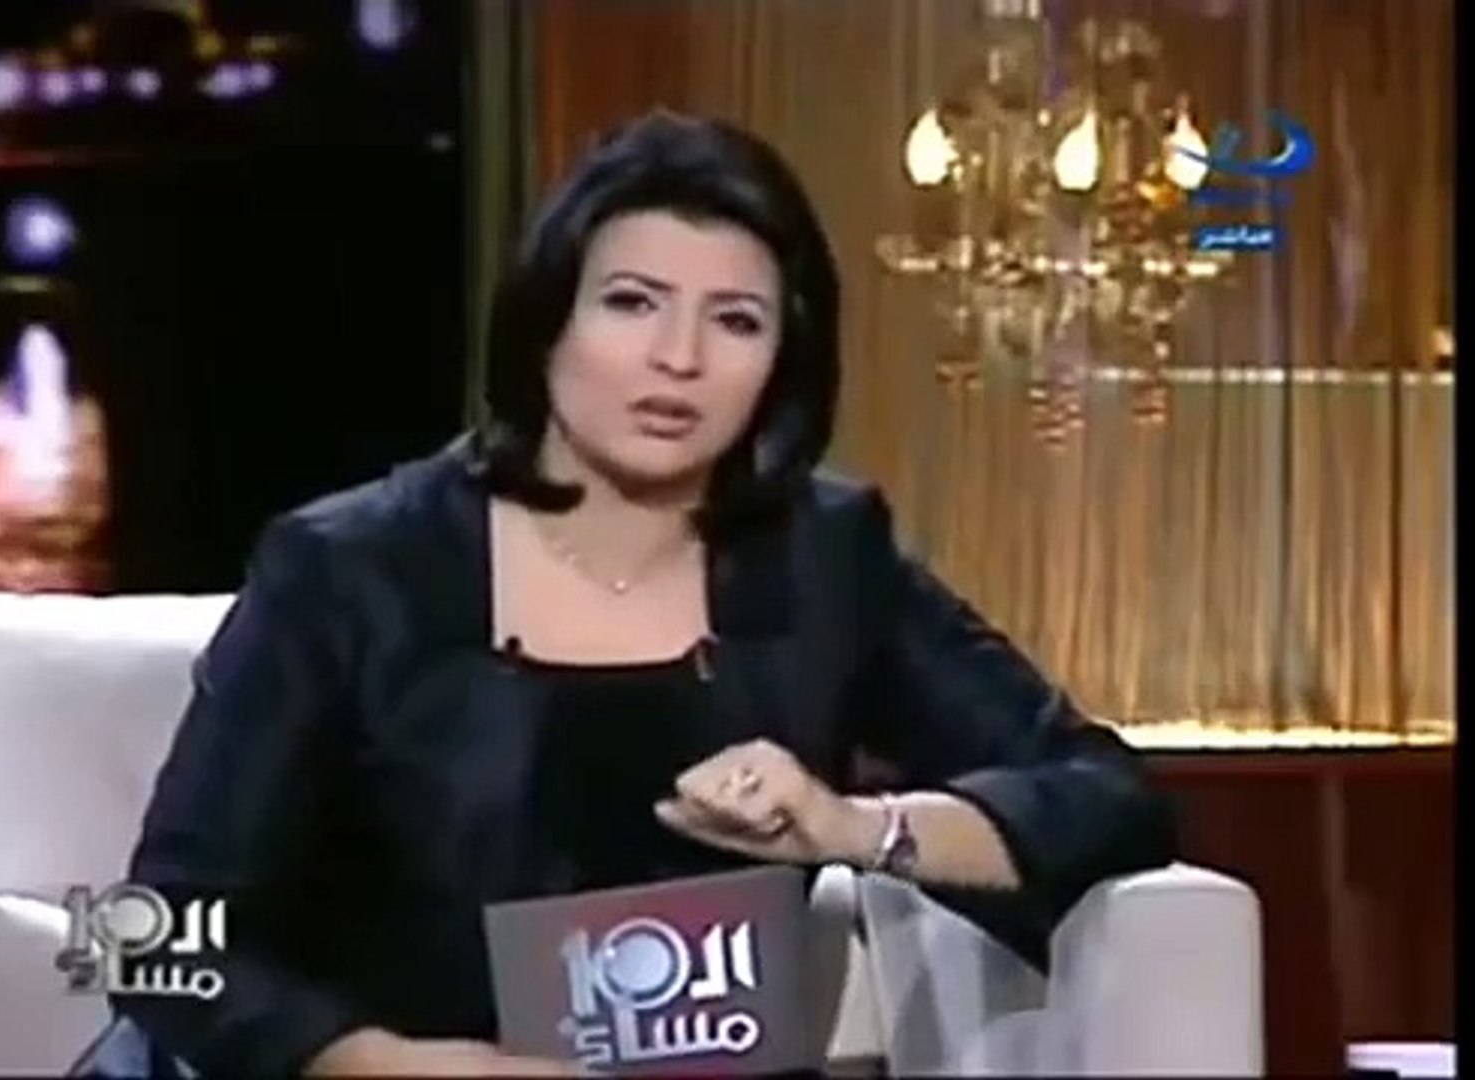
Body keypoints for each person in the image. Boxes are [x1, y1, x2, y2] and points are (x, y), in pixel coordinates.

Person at [105, 109, 1178, 1078]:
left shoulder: (823, 556)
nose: (678, 359)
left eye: (737, 321)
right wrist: (379, 1064)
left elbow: (1106, 792)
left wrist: (854, 827)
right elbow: (143, 937)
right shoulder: (350, 570)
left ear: (783, 362)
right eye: (631, 303)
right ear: (547, 322)